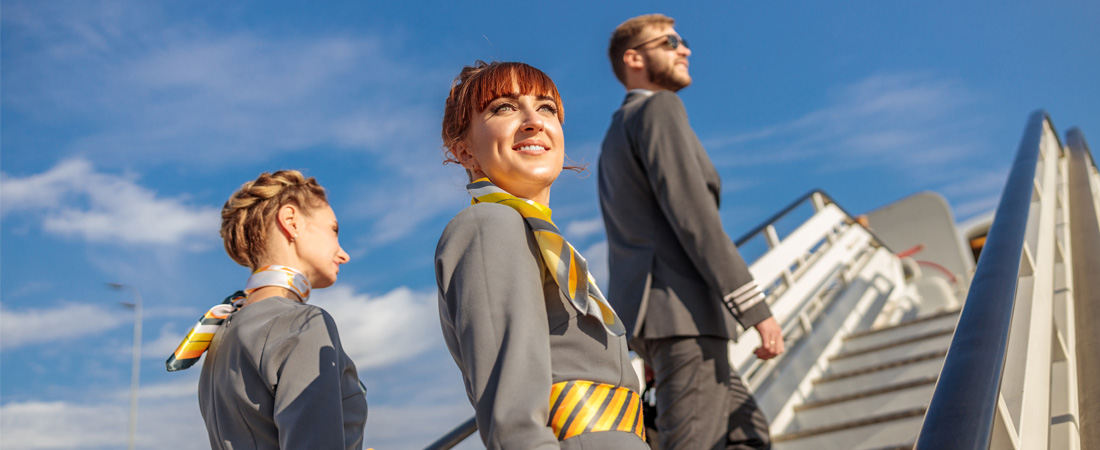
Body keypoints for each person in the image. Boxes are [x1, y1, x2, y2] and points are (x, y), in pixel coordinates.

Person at [435, 61, 649, 450]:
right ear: (464, 151)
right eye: (504, 107)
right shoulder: (489, 225)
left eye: (547, 108)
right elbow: (514, 423)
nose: (534, 121)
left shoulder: (544, 242)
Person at [599, 14, 785, 450]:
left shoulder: (614, 135)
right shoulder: (658, 108)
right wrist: (754, 306)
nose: (684, 49)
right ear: (634, 58)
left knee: (749, 434)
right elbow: (694, 217)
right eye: (670, 42)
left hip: (657, 319)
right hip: (683, 316)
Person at [166, 170, 367, 450]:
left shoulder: (220, 336)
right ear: (290, 221)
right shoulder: (302, 322)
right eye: (334, 230)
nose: (343, 254)